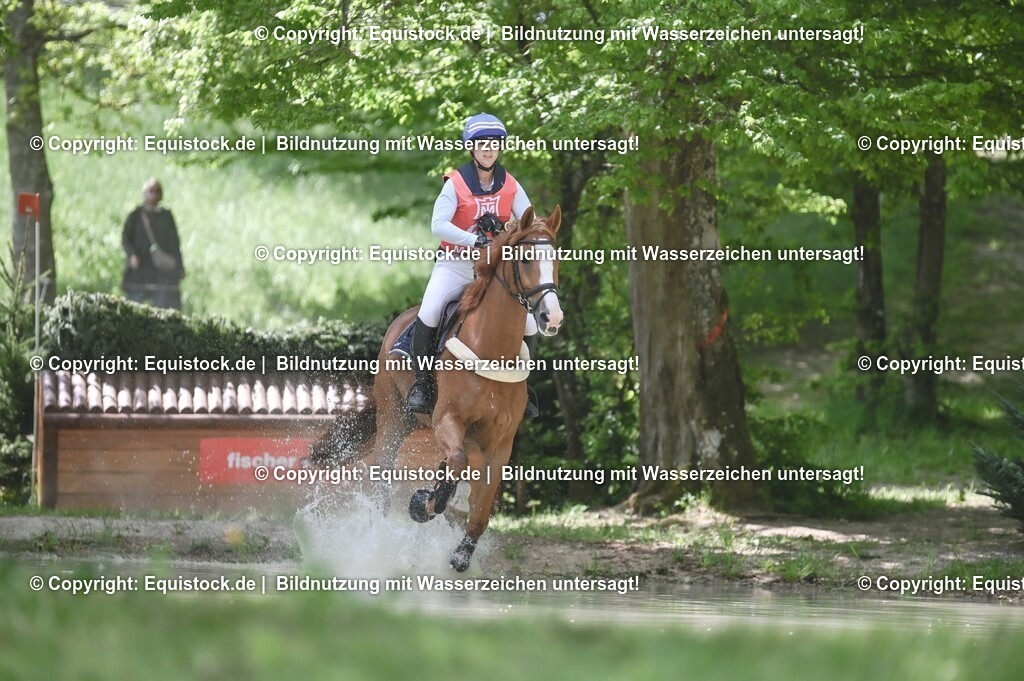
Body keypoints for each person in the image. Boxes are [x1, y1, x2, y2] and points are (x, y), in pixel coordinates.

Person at [406, 113, 540, 417]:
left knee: (530, 322)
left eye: (494, 144)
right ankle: (423, 385)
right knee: (430, 309)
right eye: (482, 144)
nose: (488, 149)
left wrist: (507, 232)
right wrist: (475, 240)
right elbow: (438, 225)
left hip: (493, 271)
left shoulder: (510, 185)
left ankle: (525, 387)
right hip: (455, 265)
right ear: (471, 147)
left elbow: (529, 224)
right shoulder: (456, 184)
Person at [121, 178, 185, 310]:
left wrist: (179, 266)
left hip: (161, 271)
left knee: (164, 305)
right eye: (150, 190)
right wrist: (132, 255)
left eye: (157, 191)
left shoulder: (166, 216)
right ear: (144, 193)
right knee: (134, 305)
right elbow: (126, 238)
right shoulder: (136, 215)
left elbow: (175, 242)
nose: (154, 194)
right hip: (140, 268)